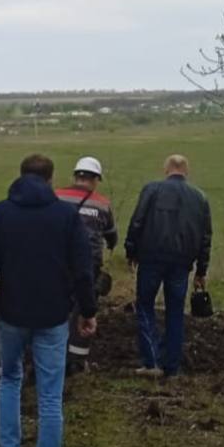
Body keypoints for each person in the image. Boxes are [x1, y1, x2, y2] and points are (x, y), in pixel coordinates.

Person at [0, 154, 97, 447]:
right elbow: (83, 271)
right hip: (54, 316)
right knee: (50, 398)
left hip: (11, 312)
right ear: (51, 179)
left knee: (10, 378)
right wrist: (88, 311)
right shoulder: (66, 217)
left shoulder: (0, 213)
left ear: (21, 175)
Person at [124, 154, 212, 379]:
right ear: (186, 171)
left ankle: (152, 361)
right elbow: (205, 237)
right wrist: (201, 270)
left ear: (166, 169)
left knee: (145, 306)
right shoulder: (200, 198)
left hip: (151, 258)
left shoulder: (152, 190)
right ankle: (171, 366)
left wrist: (131, 251)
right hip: (182, 263)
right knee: (175, 312)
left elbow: (137, 222)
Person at [55, 156, 117, 373]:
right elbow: (111, 235)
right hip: (88, 265)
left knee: (57, 307)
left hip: (58, 262)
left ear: (75, 176)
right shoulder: (102, 203)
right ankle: (76, 361)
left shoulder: (57, 196)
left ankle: (52, 353)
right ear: (95, 179)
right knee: (83, 309)